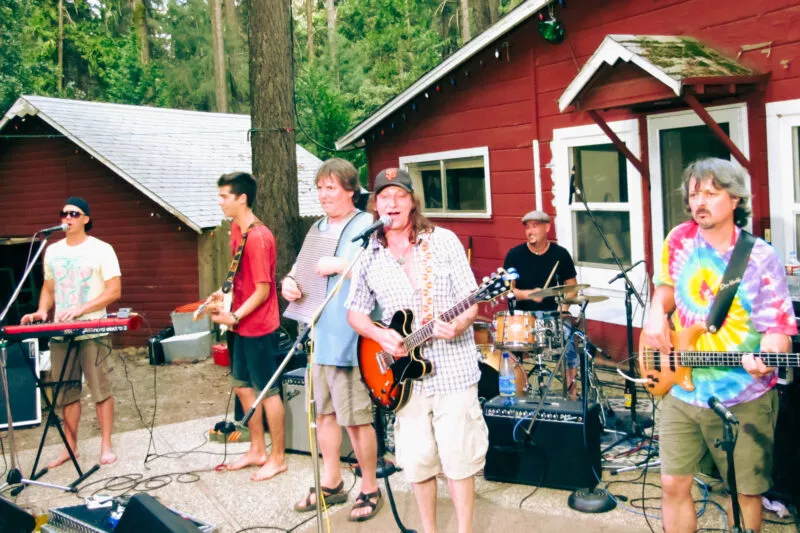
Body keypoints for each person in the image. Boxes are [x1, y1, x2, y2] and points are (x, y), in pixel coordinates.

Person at [643, 158, 797, 533]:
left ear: (735, 199)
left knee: (743, 493)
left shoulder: (760, 257)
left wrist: (769, 357)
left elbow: (778, 330)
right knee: (672, 483)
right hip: (680, 387)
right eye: (694, 193)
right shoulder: (678, 239)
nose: (700, 202)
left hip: (742, 396)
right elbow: (665, 289)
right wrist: (654, 313)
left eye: (711, 193)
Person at [346, 168, 488, 533]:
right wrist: (380, 337)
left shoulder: (444, 241)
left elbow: (471, 300)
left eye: (400, 196)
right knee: (418, 463)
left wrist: (457, 324)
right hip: (403, 380)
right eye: (384, 197)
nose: (391, 203)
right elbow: (355, 313)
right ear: (374, 204)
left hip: (453, 369)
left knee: (459, 461)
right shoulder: (367, 255)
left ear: (412, 202)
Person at [282, 159, 381, 521]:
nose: (324, 195)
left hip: (348, 337)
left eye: (331, 188)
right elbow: (301, 268)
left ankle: (369, 487)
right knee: (323, 415)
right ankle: (332, 482)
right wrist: (289, 283)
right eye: (320, 188)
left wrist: (341, 266)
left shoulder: (366, 225)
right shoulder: (317, 227)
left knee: (355, 419)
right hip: (316, 335)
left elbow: (379, 274)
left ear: (350, 190)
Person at [21, 197, 121, 467]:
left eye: (74, 213)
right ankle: (71, 447)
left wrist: (81, 308)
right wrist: (42, 311)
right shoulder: (52, 250)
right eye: (64, 213)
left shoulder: (102, 249)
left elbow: (114, 291)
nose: (67, 217)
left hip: (92, 328)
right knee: (66, 390)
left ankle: (106, 445)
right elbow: (49, 288)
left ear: (86, 218)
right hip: (61, 330)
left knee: (100, 388)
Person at [208, 171, 287, 481]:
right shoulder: (236, 230)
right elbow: (240, 278)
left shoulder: (259, 237)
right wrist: (223, 296)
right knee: (242, 387)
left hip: (259, 327)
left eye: (224, 196)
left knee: (268, 392)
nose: (220, 202)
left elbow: (264, 290)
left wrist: (235, 316)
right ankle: (257, 450)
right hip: (239, 325)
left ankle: (278, 457)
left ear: (242, 198)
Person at [502, 210, 580, 395]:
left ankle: (572, 393)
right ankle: (518, 391)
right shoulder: (515, 255)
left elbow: (572, 287)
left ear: (547, 227)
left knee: (569, 343)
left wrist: (563, 309)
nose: (530, 231)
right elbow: (508, 291)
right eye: (527, 227)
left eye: (535, 226)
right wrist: (530, 294)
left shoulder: (560, 254)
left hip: (552, 315)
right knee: (508, 349)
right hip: (523, 317)